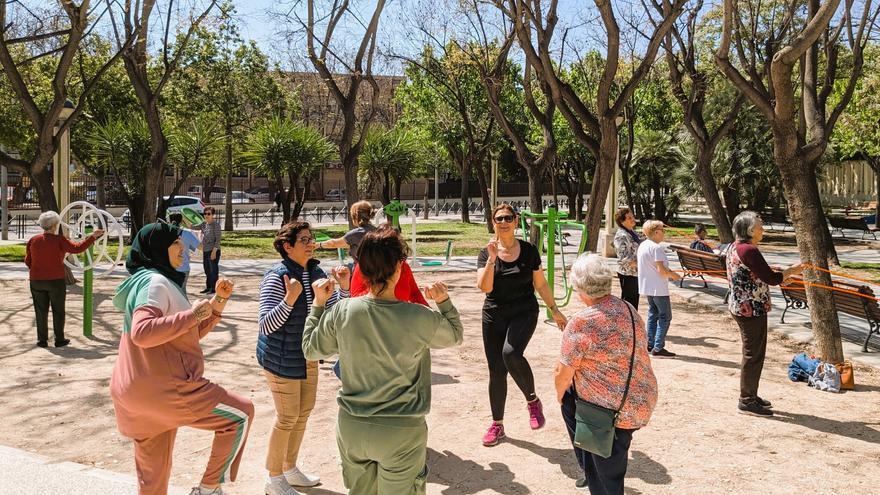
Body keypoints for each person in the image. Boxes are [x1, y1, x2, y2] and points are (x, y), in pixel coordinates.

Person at [302, 227, 464, 494]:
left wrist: (318, 305)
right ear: (399, 267)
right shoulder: (418, 316)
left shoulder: (343, 311)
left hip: (352, 426)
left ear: (361, 269)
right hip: (401, 429)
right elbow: (455, 335)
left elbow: (311, 350)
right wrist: (444, 301)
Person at [109, 223, 254, 495]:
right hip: (167, 389)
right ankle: (209, 489)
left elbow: (184, 334)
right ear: (157, 249)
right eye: (175, 243)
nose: (183, 248)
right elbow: (143, 332)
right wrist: (193, 314)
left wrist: (217, 303)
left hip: (135, 394)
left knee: (152, 483)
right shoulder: (155, 283)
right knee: (240, 416)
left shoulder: (146, 281)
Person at [257, 221, 351, 495]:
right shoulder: (277, 276)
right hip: (280, 357)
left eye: (311, 239)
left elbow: (333, 311)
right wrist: (289, 299)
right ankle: (274, 478)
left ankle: (289, 468)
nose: (311, 244)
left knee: (303, 412)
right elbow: (265, 325)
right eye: (304, 240)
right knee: (287, 417)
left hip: (308, 353)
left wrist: (344, 287)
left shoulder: (316, 272)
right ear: (288, 247)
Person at [556, 254, 658, 494]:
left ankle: (594, 473)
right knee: (573, 407)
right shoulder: (628, 308)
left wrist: (559, 395)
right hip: (641, 399)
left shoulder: (581, 322)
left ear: (579, 288)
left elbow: (562, 372)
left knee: (606, 476)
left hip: (610, 412)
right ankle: (589, 467)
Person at [476, 204, 568, 446]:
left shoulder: (528, 251)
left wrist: (555, 309)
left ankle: (532, 401)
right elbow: (485, 287)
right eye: (499, 219)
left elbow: (541, 284)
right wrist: (492, 260)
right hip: (494, 314)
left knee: (511, 353)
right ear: (493, 223)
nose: (503, 222)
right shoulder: (486, 253)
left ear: (516, 222)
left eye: (508, 218)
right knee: (496, 371)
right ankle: (497, 425)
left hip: (524, 311)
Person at [726, 211, 803, 417]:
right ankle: (747, 400)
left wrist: (779, 276)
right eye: (760, 227)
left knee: (754, 352)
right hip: (750, 309)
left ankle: (751, 394)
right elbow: (771, 278)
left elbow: (755, 274)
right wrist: (791, 271)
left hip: (742, 306)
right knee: (753, 354)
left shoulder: (735, 246)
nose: (763, 230)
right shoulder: (749, 249)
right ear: (751, 230)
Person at [24, 211, 104, 348]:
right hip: (56, 280)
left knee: (40, 310)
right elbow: (77, 248)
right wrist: (92, 237)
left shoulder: (33, 240)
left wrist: (37, 269)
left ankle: (42, 340)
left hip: (36, 280)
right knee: (58, 310)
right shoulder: (59, 240)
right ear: (54, 225)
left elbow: (27, 260)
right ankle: (59, 339)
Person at [636, 220, 682, 358]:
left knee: (653, 313)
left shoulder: (643, 245)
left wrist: (670, 273)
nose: (664, 233)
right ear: (656, 232)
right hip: (658, 288)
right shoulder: (656, 248)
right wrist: (674, 275)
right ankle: (658, 347)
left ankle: (650, 344)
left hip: (648, 286)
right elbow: (662, 271)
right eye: (662, 230)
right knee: (665, 316)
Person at [612, 207, 644, 309]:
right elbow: (623, 258)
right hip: (627, 273)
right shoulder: (621, 236)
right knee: (628, 304)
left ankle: (632, 318)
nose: (633, 219)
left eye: (632, 216)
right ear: (622, 221)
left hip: (635, 272)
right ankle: (627, 319)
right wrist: (642, 264)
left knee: (634, 303)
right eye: (629, 218)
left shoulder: (632, 232)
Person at [168, 212, 201, 291]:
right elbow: (200, 247)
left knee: (170, 293)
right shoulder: (187, 233)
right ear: (181, 221)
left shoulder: (165, 233)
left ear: (169, 221)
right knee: (182, 293)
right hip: (183, 268)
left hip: (168, 268)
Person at [192, 206, 221, 294]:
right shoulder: (204, 224)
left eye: (209, 214)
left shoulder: (216, 225)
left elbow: (218, 240)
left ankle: (214, 288)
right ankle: (208, 287)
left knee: (213, 270)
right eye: (205, 214)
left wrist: (214, 252)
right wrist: (184, 221)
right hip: (205, 250)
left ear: (213, 215)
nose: (206, 215)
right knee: (207, 270)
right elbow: (193, 227)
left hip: (213, 250)